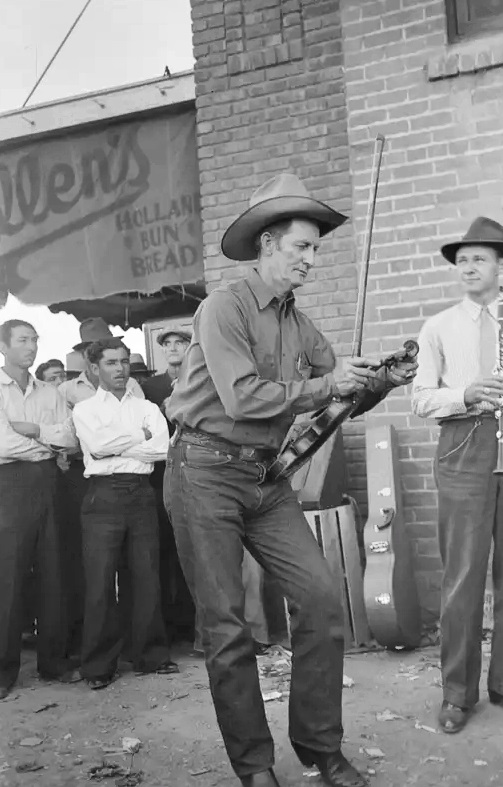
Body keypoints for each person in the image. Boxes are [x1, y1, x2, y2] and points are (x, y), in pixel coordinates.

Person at [163, 173, 418, 787]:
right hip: (202, 472)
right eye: (302, 247)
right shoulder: (223, 306)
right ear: (269, 243)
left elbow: (339, 400)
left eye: (316, 249)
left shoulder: (300, 326)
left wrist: (381, 377)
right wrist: (332, 383)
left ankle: (319, 749)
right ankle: (254, 769)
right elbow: (246, 398)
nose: (311, 259)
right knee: (227, 629)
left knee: (323, 602)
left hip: (265, 478)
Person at [412, 217, 503, 734]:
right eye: (461, 259)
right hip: (463, 442)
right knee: (462, 576)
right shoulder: (438, 326)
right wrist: (466, 393)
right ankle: (458, 693)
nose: (467, 267)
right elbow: (419, 399)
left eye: (478, 258)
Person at [72, 338, 178, 689]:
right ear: (94, 369)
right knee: (100, 582)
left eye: (123, 362)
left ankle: (150, 655)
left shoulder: (146, 405)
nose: (119, 369)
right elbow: (98, 448)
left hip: (141, 495)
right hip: (103, 498)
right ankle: (99, 666)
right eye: (111, 363)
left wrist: (120, 443)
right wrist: (138, 439)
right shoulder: (85, 409)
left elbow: (161, 448)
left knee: (147, 576)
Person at [0, 319, 80, 700]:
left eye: (34, 340)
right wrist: (45, 440)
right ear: (3, 346)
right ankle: (3, 671)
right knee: (9, 577)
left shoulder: (50, 391)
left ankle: (54, 662)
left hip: (50, 482)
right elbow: (2, 444)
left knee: (54, 571)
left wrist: (32, 431)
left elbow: (70, 437)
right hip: (9, 485)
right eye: (21, 340)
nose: (30, 347)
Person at [58, 319, 144, 655]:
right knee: (96, 573)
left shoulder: (133, 386)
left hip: (132, 478)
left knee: (138, 569)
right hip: (86, 481)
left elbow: (145, 431)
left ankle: (137, 648)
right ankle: (98, 654)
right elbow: (71, 440)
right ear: (86, 358)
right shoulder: (66, 392)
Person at [143, 326, 194, 644]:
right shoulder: (149, 387)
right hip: (159, 474)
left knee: (191, 549)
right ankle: (171, 625)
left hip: (196, 469)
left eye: (181, 342)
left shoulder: (202, 378)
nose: (174, 348)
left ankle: (193, 625)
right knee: (162, 551)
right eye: (168, 344)